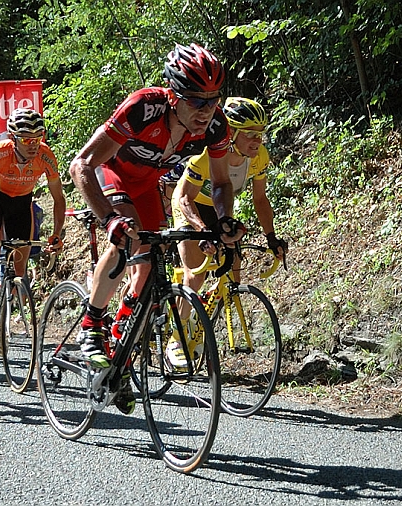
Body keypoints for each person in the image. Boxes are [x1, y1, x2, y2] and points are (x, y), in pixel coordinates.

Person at [67, 42, 244, 415]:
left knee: (151, 268)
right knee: (126, 238)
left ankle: (122, 346)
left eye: (213, 100)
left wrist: (224, 219)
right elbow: (81, 165)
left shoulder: (215, 125)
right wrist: (108, 218)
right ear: (173, 94)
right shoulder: (143, 108)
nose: (206, 110)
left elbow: (222, 182)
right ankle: (91, 323)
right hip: (111, 175)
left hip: (147, 186)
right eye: (196, 101)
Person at [169, 97, 287, 366]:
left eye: (261, 134)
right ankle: (177, 335)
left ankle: (201, 325)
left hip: (221, 210)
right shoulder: (205, 155)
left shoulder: (259, 158)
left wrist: (271, 238)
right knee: (195, 275)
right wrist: (200, 231)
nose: (257, 141)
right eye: (250, 134)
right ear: (231, 133)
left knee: (233, 265)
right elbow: (185, 198)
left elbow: (260, 200)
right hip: (191, 206)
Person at [0, 109, 66, 338]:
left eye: (38, 138)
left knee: (20, 269)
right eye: (26, 139)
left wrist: (57, 234)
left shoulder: (46, 156)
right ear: (12, 138)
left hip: (22, 202)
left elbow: (59, 199)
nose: (33, 145)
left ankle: (1, 302)